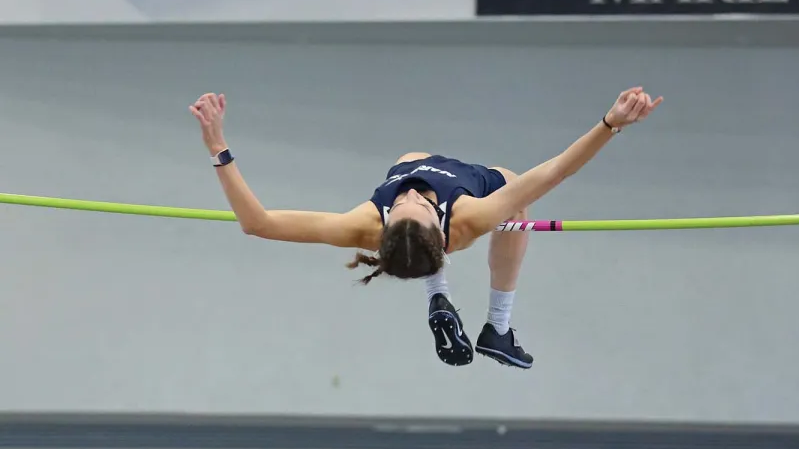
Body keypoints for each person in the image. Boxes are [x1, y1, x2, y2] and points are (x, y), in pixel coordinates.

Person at [189, 87, 662, 370]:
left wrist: (218, 146)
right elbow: (556, 171)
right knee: (518, 202)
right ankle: (498, 328)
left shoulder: (366, 224)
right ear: (440, 232)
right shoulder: (469, 217)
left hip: (421, 208)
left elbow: (258, 223)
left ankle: (438, 292)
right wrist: (610, 124)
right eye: (414, 205)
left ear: (386, 226)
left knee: (409, 160)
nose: (411, 195)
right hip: (476, 184)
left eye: (406, 205)